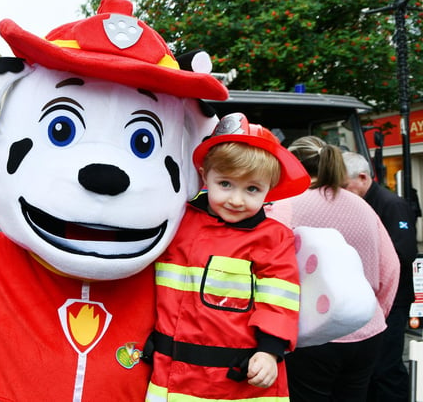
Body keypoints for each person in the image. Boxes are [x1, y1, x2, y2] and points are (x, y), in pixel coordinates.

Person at [146, 114, 311, 401]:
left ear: (268, 190)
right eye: (225, 184)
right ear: (204, 176)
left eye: (252, 189)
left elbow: (279, 301)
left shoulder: (273, 238)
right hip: (167, 375)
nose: (236, 199)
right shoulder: (178, 220)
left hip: (238, 382)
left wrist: (270, 351)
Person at [266, 136, 400, 402]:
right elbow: (391, 268)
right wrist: (373, 315)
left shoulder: (284, 206)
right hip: (366, 328)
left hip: (312, 332)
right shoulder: (362, 205)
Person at [342, 151, 418, 402]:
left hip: (392, 298)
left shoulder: (392, 204)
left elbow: (403, 253)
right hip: (370, 296)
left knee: (386, 364)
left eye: (344, 185)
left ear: (363, 177)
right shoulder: (360, 203)